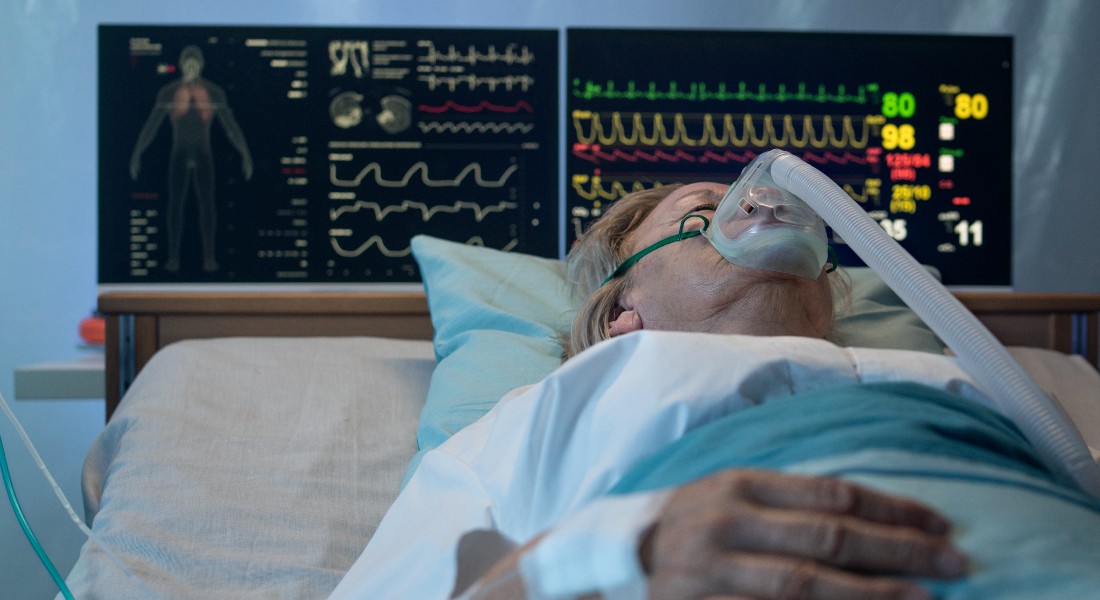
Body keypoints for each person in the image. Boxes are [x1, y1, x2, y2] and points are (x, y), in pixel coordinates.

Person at [327, 180, 992, 600]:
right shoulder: (534, 424)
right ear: (624, 309)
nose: (760, 208)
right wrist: (622, 554)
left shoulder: (969, 387)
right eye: (704, 213)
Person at [129, 45, 253, 273]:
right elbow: (152, 125)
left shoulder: (214, 93)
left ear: (201, 65)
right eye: (188, 62)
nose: (192, 67)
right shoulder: (169, 92)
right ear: (182, 64)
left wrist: (244, 152)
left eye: (195, 62)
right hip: (180, 151)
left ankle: (209, 258)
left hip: (203, 151)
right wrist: (138, 151)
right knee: (175, 205)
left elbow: (230, 126)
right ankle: (174, 257)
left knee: (207, 204)